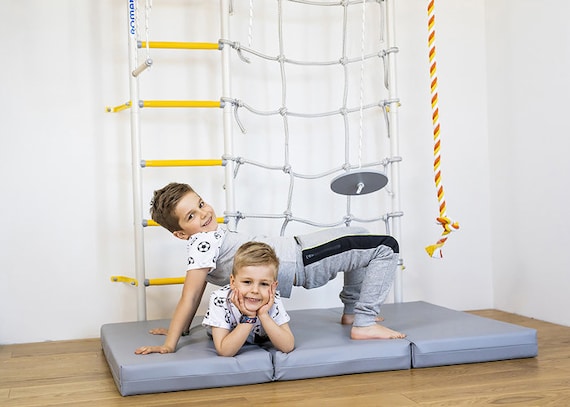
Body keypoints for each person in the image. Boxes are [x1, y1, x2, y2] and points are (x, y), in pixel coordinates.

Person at [135, 182, 404, 356]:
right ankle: (364, 322)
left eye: (201, 204)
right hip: (300, 260)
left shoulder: (206, 240)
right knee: (386, 246)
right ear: (181, 234)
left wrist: (178, 331)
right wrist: (169, 344)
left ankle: (351, 313)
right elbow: (190, 295)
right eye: (191, 216)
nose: (204, 214)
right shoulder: (203, 243)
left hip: (297, 249)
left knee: (360, 233)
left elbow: (198, 288)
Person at [202, 241, 294, 356]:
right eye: (247, 282)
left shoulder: (273, 298)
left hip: (259, 336)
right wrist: (249, 317)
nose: (255, 290)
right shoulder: (219, 299)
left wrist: (263, 315)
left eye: (264, 284)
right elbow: (225, 351)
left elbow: (288, 346)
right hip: (227, 336)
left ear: (273, 287)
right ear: (233, 281)